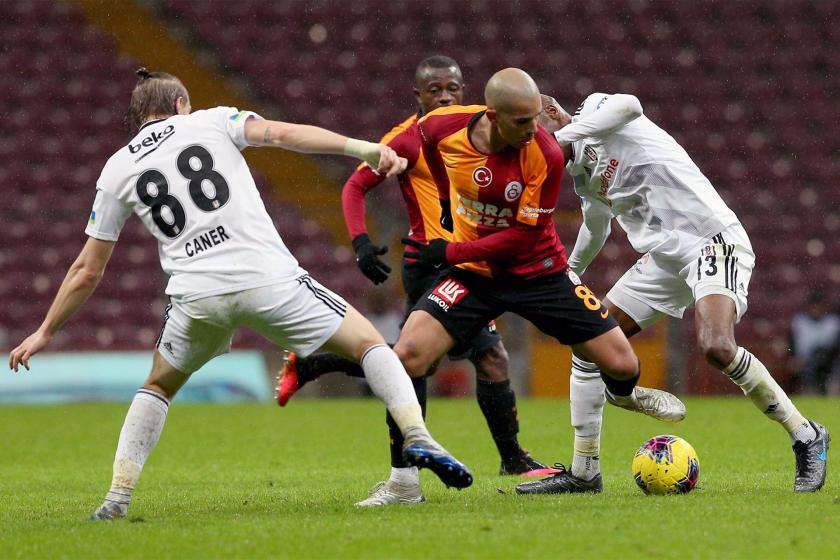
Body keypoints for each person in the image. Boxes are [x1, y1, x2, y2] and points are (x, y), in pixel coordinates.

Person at [7, 68, 473, 520]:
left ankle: (117, 498)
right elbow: (283, 135)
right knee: (370, 343)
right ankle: (416, 433)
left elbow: (88, 269)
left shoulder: (117, 167)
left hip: (196, 295)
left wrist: (47, 330)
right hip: (267, 278)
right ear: (179, 105)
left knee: (157, 386)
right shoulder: (211, 120)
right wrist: (363, 149)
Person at [389, 67, 685, 496]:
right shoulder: (441, 126)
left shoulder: (543, 153)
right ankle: (403, 482)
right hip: (476, 275)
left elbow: (522, 237)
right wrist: (446, 206)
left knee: (623, 365)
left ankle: (624, 396)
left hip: (538, 271)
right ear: (492, 115)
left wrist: (451, 250)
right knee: (408, 355)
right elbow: (430, 150)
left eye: (535, 118)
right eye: (522, 121)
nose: (535, 129)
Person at [277, 57, 555, 507]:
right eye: (435, 90)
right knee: (420, 364)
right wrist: (361, 242)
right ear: (418, 95)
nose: (444, 97)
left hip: (466, 262)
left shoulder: (481, 135)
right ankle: (408, 477)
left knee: (480, 362)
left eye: (452, 89)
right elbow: (354, 187)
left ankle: (314, 365)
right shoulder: (407, 138)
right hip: (430, 265)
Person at [525, 92, 829, 493]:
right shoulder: (580, 173)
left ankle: (807, 436)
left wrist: (561, 138)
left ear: (550, 112)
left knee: (717, 347)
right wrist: (568, 272)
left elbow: (631, 105)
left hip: (711, 239)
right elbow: (596, 228)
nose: (534, 150)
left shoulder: (596, 110)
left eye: (534, 136)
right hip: (665, 257)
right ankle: (585, 471)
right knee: (587, 342)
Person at [789, 290, 840, 395]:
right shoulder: (800, 322)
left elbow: (836, 346)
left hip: (830, 362)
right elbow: (792, 344)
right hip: (806, 362)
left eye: (819, 306)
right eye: (814, 306)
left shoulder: (833, 322)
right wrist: (793, 358)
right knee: (806, 374)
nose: (816, 309)